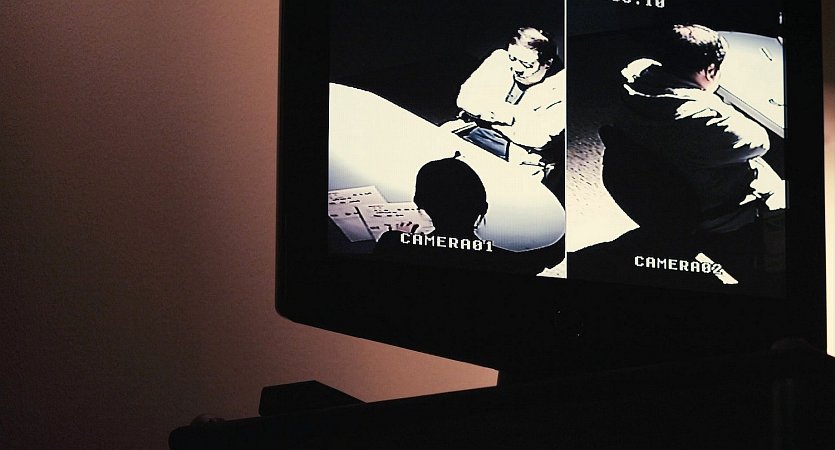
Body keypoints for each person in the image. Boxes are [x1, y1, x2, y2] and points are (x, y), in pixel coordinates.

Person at [613, 23, 785, 235]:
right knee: (783, 196)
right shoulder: (702, 121)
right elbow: (760, 143)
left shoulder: (632, 79)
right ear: (711, 70)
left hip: (645, 185)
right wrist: (712, 100)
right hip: (705, 206)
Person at [373, 156, 564, 275]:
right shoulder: (511, 263)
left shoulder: (395, 245)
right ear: (483, 207)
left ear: (419, 203)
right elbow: (548, 258)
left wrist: (402, 238)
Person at [442, 27, 566, 163]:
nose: (516, 68)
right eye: (513, 58)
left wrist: (491, 113)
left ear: (547, 64)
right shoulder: (500, 58)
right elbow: (464, 99)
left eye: (526, 64)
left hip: (519, 153)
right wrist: (513, 119)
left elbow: (538, 139)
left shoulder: (561, 87)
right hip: (469, 128)